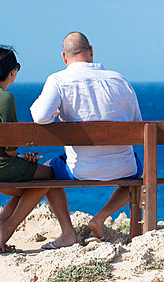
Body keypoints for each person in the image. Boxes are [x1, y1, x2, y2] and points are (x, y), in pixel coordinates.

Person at [0, 45, 75, 253]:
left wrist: (20, 159)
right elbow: (10, 147)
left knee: (29, 186)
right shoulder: (5, 98)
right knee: (50, 177)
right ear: (12, 72)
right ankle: (10, 226)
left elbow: (4, 148)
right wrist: (19, 157)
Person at [30, 32, 142, 241]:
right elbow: (137, 124)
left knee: (48, 170)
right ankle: (100, 218)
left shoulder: (58, 80)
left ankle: (67, 233)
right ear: (91, 50)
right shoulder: (120, 80)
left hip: (80, 170)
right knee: (138, 172)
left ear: (64, 57)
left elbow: (40, 116)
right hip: (125, 168)